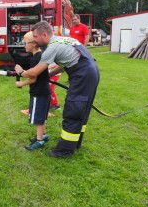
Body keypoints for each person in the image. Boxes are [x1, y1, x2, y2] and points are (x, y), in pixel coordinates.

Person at [15, 21, 100, 158]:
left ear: (44, 34)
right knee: (81, 110)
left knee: (73, 110)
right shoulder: (62, 40)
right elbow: (63, 64)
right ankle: (76, 143)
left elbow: (33, 73)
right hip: (91, 70)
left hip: (83, 75)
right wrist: (48, 75)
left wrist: (20, 72)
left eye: (35, 36)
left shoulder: (52, 48)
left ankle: (64, 150)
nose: (34, 40)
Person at [15, 31, 51, 150]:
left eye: (25, 42)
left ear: (34, 44)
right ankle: (43, 135)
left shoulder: (36, 58)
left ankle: (40, 141)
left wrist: (21, 82)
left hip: (39, 93)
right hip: (45, 92)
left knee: (38, 118)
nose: (24, 45)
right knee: (42, 116)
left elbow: (33, 78)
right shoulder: (39, 56)